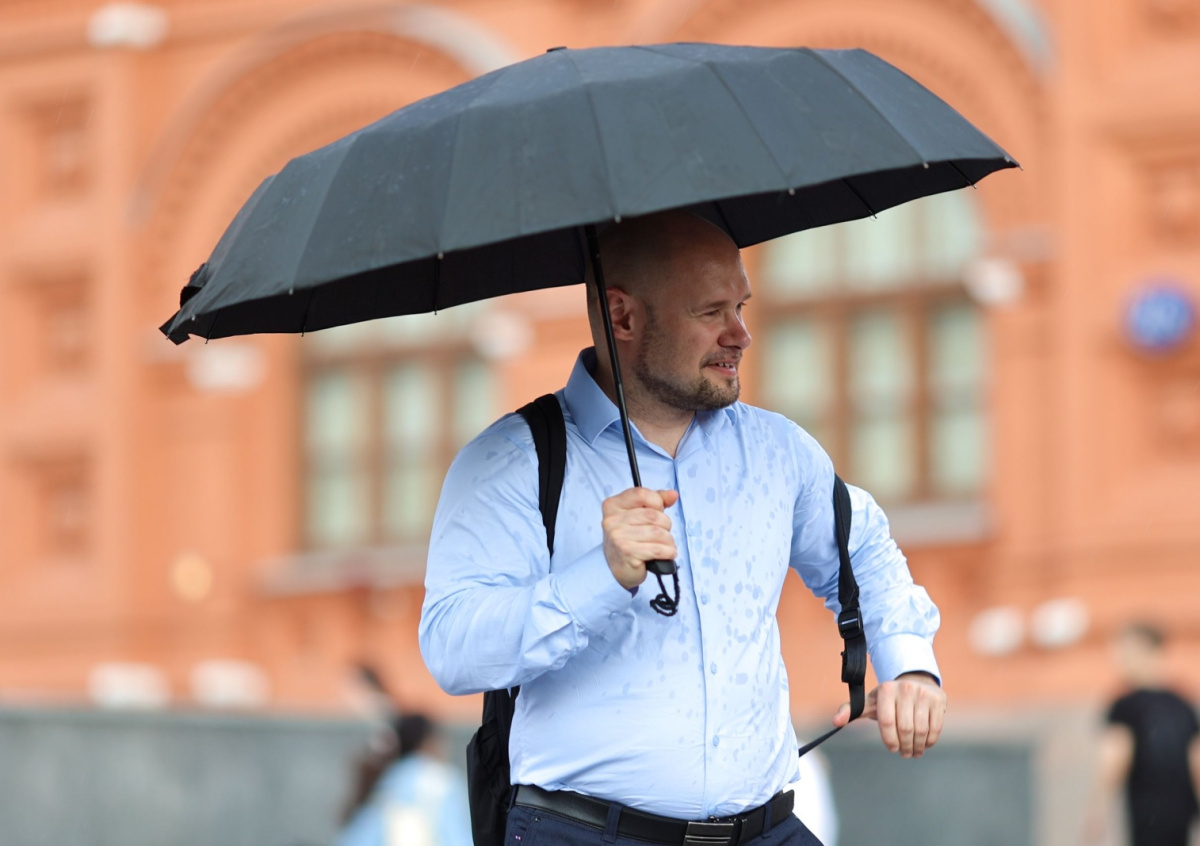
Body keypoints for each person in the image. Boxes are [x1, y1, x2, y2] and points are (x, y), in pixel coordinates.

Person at [419, 210, 947, 846]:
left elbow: (863, 553)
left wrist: (908, 664)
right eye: (711, 312)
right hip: (584, 835)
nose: (741, 334)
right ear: (623, 317)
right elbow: (452, 648)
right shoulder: (510, 462)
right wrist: (599, 578)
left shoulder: (777, 451)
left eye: (741, 306)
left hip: (766, 830)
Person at [1083, 623, 1200, 846]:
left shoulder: (1126, 705)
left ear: (1148, 651)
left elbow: (1115, 757)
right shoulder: (1182, 703)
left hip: (1149, 814)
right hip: (1179, 812)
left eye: (1126, 655)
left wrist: (1097, 810)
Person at [337, 713, 473, 846]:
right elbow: (457, 836)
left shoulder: (388, 778)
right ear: (428, 742)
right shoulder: (442, 780)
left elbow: (358, 837)